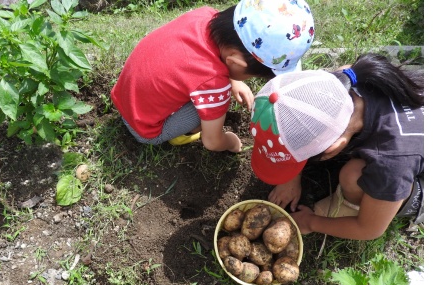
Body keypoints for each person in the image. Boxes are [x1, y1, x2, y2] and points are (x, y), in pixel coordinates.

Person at [248, 53, 423, 240]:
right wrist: (291, 177)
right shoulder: (345, 78)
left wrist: (311, 222)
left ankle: (357, 206)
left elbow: (369, 230)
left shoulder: (392, 163)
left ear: (334, 147)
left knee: (352, 176)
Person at [111, 0, 315, 152]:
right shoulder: (213, 84)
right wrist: (231, 141)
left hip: (124, 96)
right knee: (209, 109)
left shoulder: (205, 15)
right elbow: (212, 142)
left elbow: (208, 56)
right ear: (235, 62)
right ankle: (176, 133)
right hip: (144, 129)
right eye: (252, 75)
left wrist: (233, 79)